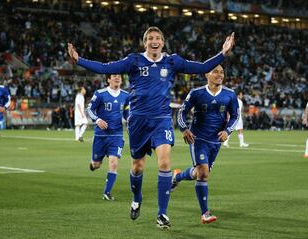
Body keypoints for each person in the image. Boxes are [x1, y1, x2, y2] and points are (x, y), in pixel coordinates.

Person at [68, 26, 235, 229]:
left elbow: (201, 67)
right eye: (150, 38)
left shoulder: (172, 61)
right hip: (138, 121)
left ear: (163, 42)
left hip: (162, 119)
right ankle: (137, 198)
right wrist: (79, 60)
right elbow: (105, 68)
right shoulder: (134, 60)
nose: (154, 41)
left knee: (165, 163)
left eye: (157, 38)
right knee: (137, 167)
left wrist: (223, 53)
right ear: (144, 42)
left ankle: (162, 214)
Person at [172, 64, 238, 224]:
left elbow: (235, 116)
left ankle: (177, 176)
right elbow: (181, 111)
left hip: (215, 142)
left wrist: (227, 131)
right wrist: (184, 129)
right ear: (206, 74)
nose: (220, 74)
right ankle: (205, 213)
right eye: (215, 71)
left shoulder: (230, 94)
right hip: (198, 139)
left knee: (198, 173)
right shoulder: (197, 93)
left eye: (222, 72)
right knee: (203, 172)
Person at [87, 74, 129, 201]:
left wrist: (130, 121)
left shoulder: (126, 95)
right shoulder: (100, 94)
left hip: (116, 135)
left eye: (119, 76)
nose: (117, 78)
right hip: (100, 135)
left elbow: (127, 112)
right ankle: (93, 163)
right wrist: (97, 119)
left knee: (113, 162)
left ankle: (107, 192)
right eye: (114, 76)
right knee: (97, 164)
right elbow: (90, 109)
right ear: (108, 80)